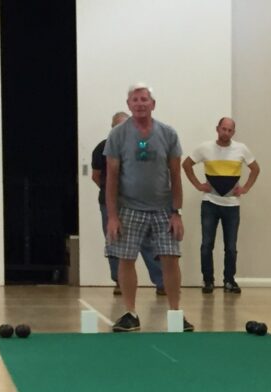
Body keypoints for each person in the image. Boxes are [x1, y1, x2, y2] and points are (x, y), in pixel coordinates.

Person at [105, 83, 192, 332]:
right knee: (126, 258)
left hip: (163, 208)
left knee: (171, 258)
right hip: (129, 207)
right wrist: (112, 216)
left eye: (145, 99)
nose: (140, 103)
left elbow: (176, 174)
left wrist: (177, 212)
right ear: (129, 105)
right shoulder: (118, 135)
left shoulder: (168, 134)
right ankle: (130, 313)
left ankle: (176, 313)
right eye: (135, 100)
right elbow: (111, 176)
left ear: (153, 104)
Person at [182, 117, 260, 294]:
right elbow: (186, 165)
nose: (226, 133)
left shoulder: (241, 149)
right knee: (206, 244)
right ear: (217, 129)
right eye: (223, 129)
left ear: (234, 132)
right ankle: (208, 281)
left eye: (230, 130)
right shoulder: (205, 148)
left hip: (232, 205)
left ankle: (229, 280)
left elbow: (256, 169)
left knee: (231, 246)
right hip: (210, 203)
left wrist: (245, 188)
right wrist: (198, 185)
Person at [91, 112, 165, 296]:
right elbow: (96, 176)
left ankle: (161, 281)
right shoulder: (101, 148)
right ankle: (119, 282)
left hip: (137, 202)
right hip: (110, 204)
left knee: (147, 241)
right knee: (114, 241)